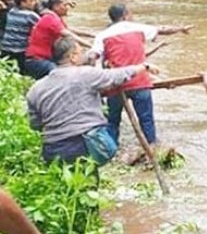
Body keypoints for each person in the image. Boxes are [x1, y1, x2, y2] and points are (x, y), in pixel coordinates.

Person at [26, 36, 158, 165]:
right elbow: (116, 76)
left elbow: (35, 125)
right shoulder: (85, 74)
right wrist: (143, 67)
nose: (84, 55)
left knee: (64, 183)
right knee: (88, 181)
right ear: (73, 56)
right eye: (81, 52)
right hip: (83, 145)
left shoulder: (35, 89)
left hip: (52, 149)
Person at [87, 3, 193, 147]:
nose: (132, 16)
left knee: (113, 121)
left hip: (115, 83)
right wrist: (180, 29)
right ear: (125, 15)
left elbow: (93, 56)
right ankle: (151, 148)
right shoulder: (137, 28)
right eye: (130, 13)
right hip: (139, 81)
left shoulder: (102, 35)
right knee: (146, 119)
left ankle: (111, 150)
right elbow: (162, 29)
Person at [24, 0, 91, 80]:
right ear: (56, 6)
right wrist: (90, 45)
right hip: (37, 60)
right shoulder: (50, 18)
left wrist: (91, 35)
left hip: (43, 58)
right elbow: (69, 34)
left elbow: (70, 30)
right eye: (65, 5)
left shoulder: (54, 17)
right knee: (61, 77)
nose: (68, 7)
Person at [0, 0, 40, 74]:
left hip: (5, 48)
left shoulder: (11, 11)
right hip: (20, 50)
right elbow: (45, 25)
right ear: (23, 3)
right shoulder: (30, 15)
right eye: (31, 1)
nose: (34, 3)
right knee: (22, 72)